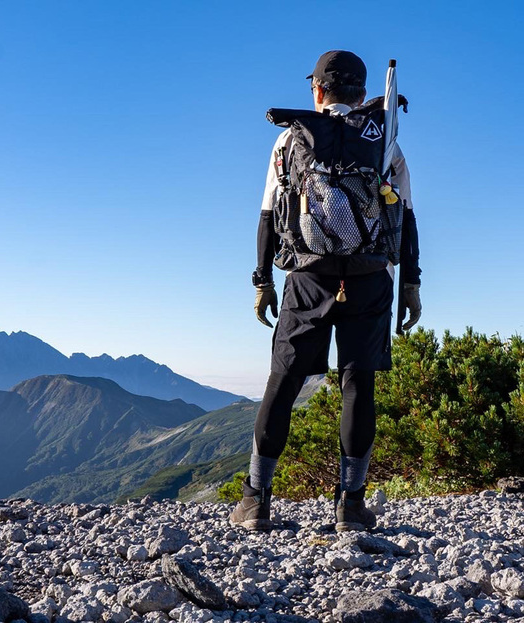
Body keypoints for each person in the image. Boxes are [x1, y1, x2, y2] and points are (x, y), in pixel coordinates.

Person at [229, 50, 422, 532]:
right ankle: (350, 505)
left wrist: (262, 280)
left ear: (317, 91)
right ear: (362, 93)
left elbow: (269, 216)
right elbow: (406, 220)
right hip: (370, 279)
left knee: (284, 381)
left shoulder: (288, 141)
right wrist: (412, 285)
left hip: (307, 279)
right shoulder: (385, 143)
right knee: (359, 386)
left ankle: (255, 500)